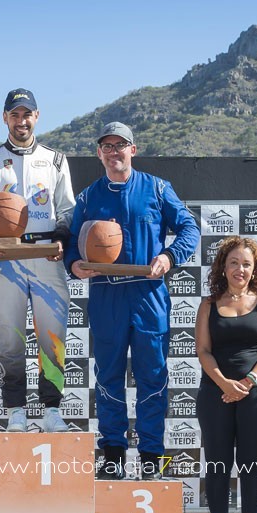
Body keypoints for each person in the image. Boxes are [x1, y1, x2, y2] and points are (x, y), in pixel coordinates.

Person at [65, 121, 200, 479]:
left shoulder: (157, 188)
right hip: (107, 294)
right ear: (99, 153)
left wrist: (169, 257)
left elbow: (190, 228)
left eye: (120, 145)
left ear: (133, 150)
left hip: (148, 294)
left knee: (152, 376)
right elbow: (70, 243)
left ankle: (151, 458)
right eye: (107, 146)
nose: (114, 152)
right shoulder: (90, 196)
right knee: (108, 377)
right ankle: (112, 455)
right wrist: (74, 264)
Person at [0, 88, 75, 433]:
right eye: (14, 114)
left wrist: (60, 238)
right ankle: (15, 410)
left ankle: (52, 411)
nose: (21, 121)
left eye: (27, 114)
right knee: (9, 337)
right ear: (5, 118)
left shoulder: (56, 160)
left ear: (37, 116)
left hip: (45, 254)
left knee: (52, 336)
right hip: (6, 259)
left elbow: (68, 210)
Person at [194, 236, 257, 513]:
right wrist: (224, 384)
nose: (240, 269)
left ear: (255, 267)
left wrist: (248, 381)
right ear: (223, 267)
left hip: (256, 395)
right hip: (214, 394)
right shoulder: (208, 304)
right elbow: (202, 350)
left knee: (251, 463)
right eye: (233, 263)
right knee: (217, 463)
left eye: (246, 263)